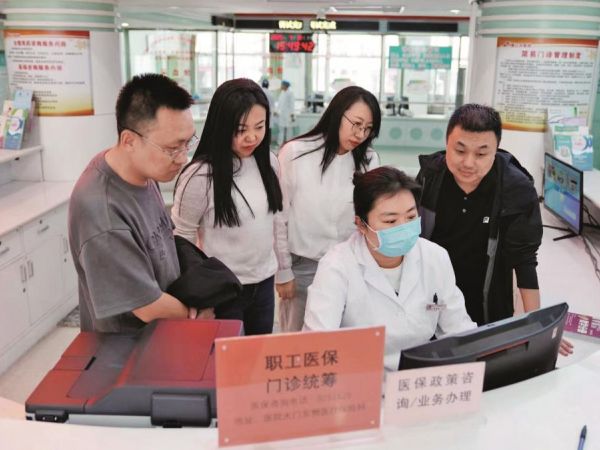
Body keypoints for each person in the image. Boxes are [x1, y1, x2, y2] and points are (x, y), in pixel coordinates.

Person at [416, 103, 573, 356]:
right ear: (446, 143)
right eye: (459, 151)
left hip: (487, 299)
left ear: (496, 150)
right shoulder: (430, 176)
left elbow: (524, 260)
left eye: (481, 154)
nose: (468, 163)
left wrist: (538, 326)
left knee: (485, 362)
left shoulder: (515, 188)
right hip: (432, 296)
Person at [69, 73, 214, 333]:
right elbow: (147, 306)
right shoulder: (103, 212)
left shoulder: (141, 170)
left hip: (165, 331)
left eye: (188, 142)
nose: (183, 158)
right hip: (130, 345)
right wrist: (194, 315)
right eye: (173, 148)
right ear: (129, 141)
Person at [303, 167, 477, 371]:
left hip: (420, 376)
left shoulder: (434, 257)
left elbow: (457, 328)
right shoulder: (337, 266)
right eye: (391, 221)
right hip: (359, 377)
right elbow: (318, 343)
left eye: (411, 217)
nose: (403, 227)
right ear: (361, 224)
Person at [171, 78, 283, 336]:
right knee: (225, 357)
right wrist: (196, 297)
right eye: (241, 129)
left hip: (264, 282)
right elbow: (181, 240)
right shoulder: (200, 175)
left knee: (258, 353)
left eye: (259, 127)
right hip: (222, 290)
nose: (252, 137)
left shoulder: (269, 163)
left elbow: (274, 221)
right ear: (221, 126)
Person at [275, 86, 382, 332]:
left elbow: (371, 217)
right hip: (303, 266)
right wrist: (283, 271)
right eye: (356, 124)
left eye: (368, 129)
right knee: (298, 342)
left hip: (351, 266)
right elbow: (278, 217)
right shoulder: (296, 153)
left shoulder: (369, 160)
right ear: (337, 113)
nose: (360, 134)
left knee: (344, 341)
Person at [277, 80, 295, 146]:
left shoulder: (290, 93)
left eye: (282, 85)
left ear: (285, 86)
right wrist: (277, 110)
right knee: (281, 129)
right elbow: (280, 104)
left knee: (289, 130)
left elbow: (292, 105)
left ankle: (289, 144)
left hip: (289, 114)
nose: (281, 86)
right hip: (282, 114)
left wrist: (292, 116)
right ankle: (280, 143)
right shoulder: (282, 93)